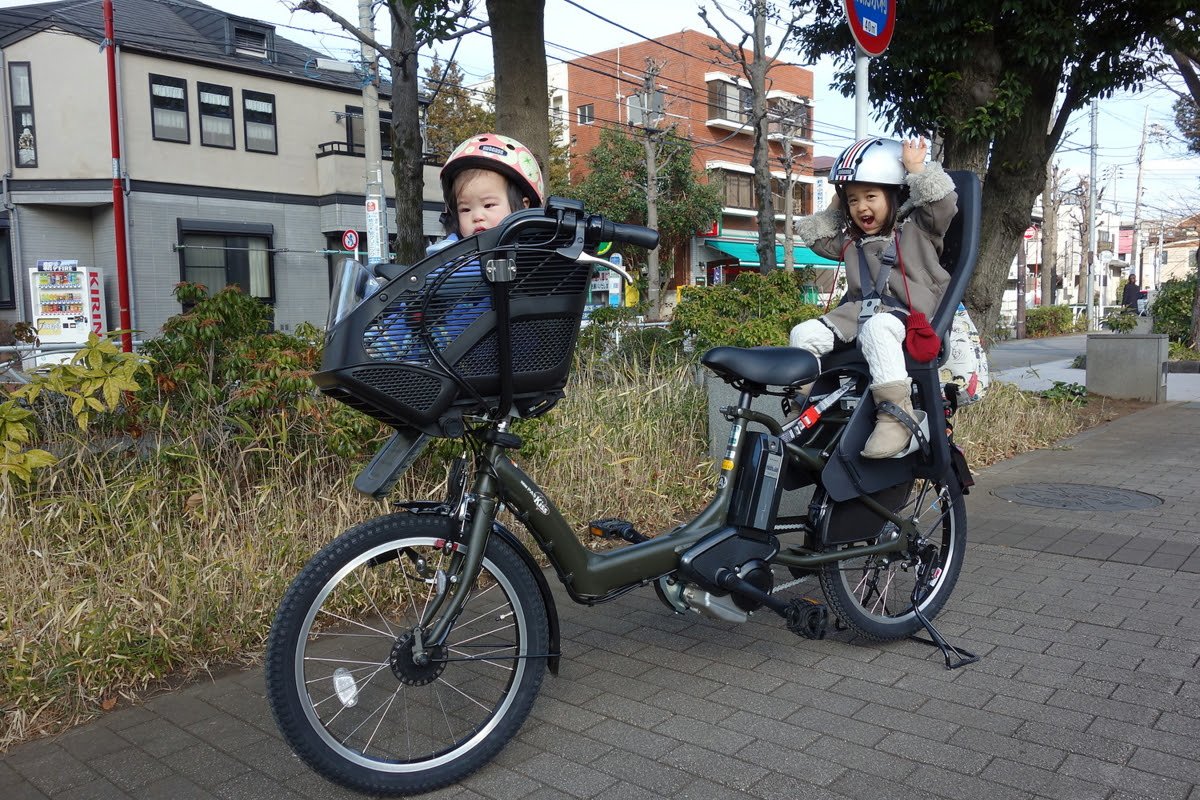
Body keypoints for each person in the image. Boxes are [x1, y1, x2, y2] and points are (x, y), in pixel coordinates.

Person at [789, 136, 958, 459]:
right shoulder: (852, 240)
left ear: (895, 195)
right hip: (856, 316)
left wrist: (915, 168)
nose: (861, 207)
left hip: (908, 317)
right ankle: (805, 406)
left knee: (878, 328)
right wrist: (841, 192)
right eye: (854, 201)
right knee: (803, 333)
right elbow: (817, 237)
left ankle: (896, 415)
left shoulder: (918, 228)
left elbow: (943, 205)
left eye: (870, 197)